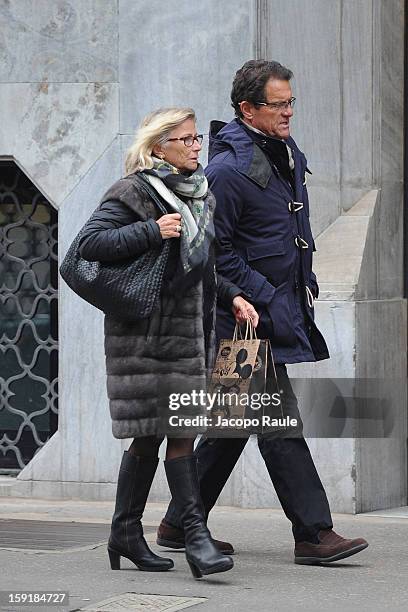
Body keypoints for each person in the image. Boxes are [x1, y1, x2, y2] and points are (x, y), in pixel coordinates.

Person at [157, 61, 369, 565]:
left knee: (232, 424)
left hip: (267, 310)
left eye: (291, 101)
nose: (289, 111)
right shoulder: (228, 171)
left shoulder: (283, 154)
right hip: (242, 317)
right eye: (279, 104)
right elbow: (212, 249)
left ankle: (176, 523)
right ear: (248, 108)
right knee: (278, 421)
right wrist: (260, 294)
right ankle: (314, 533)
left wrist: (299, 284)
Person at [78, 107, 258, 578]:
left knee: (178, 433)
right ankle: (182, 538)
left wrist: (234, 296)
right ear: (160, 146)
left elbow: (203, 265)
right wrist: (150, 230)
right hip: (144, 337)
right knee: (150, 438)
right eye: (188, 139)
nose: (198, 146)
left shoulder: (200, 196)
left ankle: (136, 533)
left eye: (198, 139)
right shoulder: (134, 191)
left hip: (190, 334)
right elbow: (89, 245)